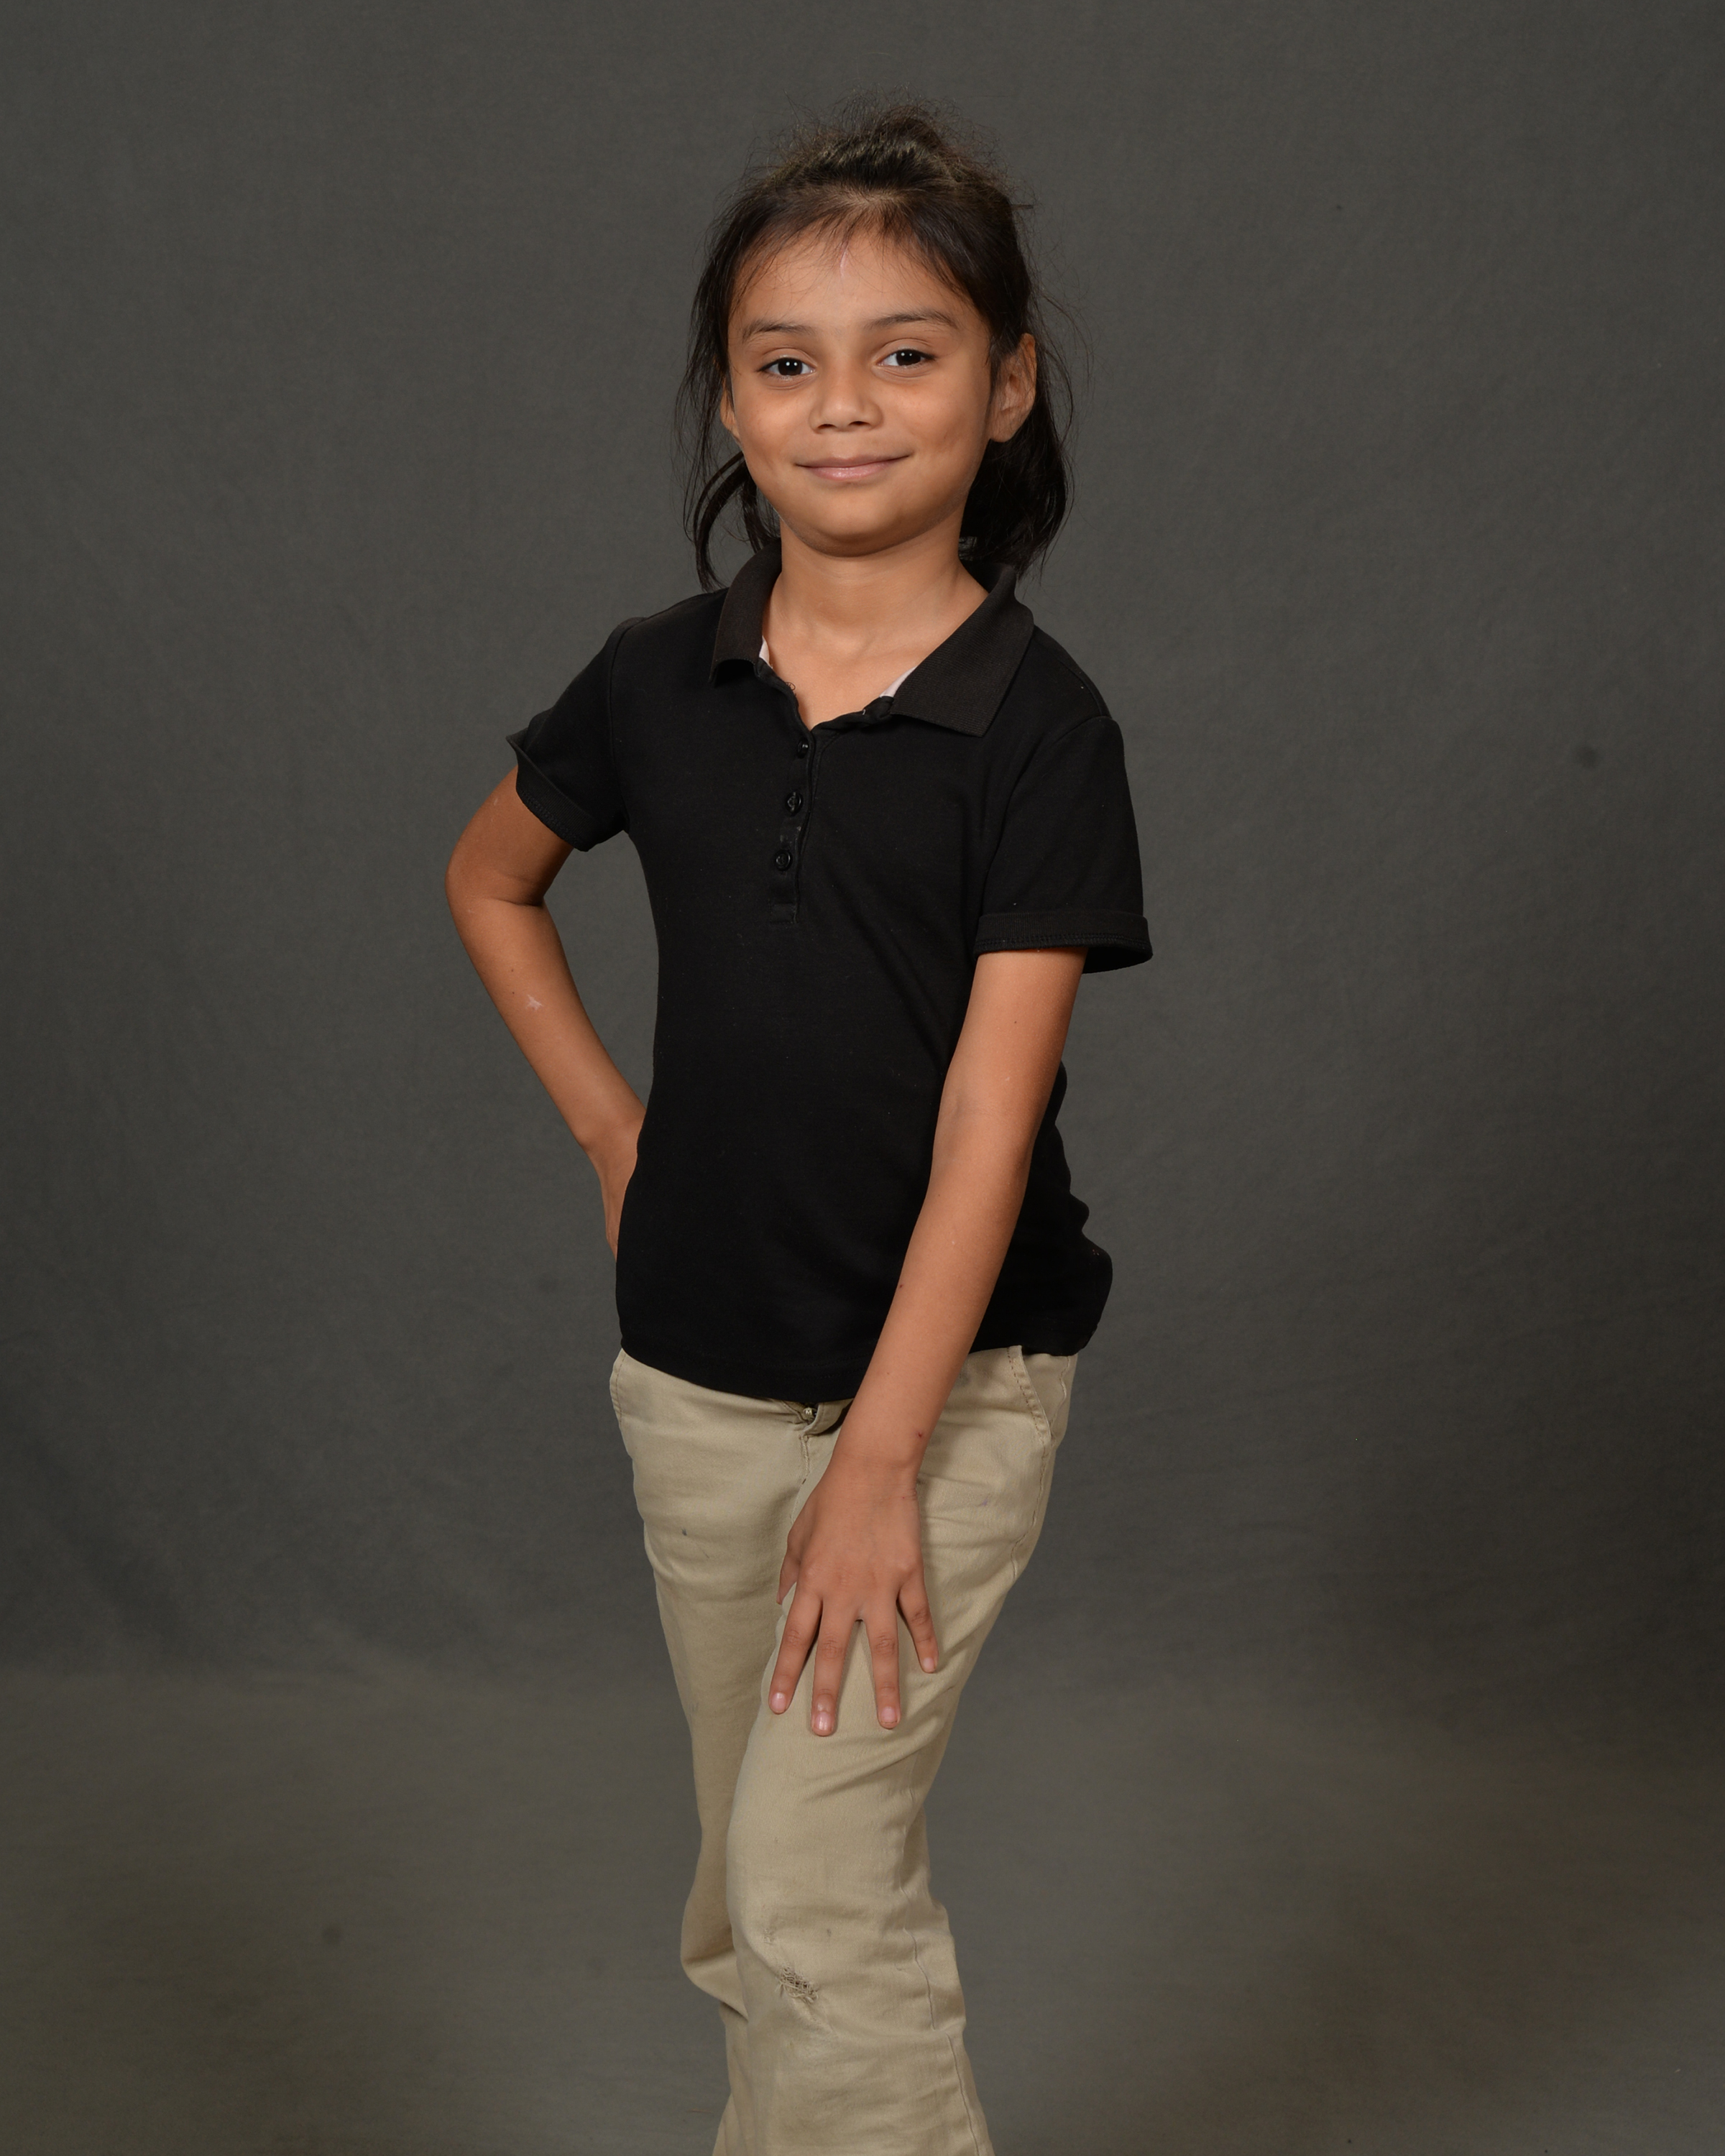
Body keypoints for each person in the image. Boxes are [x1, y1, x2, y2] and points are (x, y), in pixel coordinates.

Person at [445, 98, 1149, 2156]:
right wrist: (613, 1133)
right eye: (785, 361)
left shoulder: (1040, 726)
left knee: (818, 1893)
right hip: (697, 1379)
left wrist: (882, 1468)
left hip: (943, 1395)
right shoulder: (654, 684)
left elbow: (990, 1127)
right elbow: (491, 878)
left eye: (905, 352)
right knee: (754, 1893)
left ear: (1005, 386)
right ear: (732, 402)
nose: (843, 404)